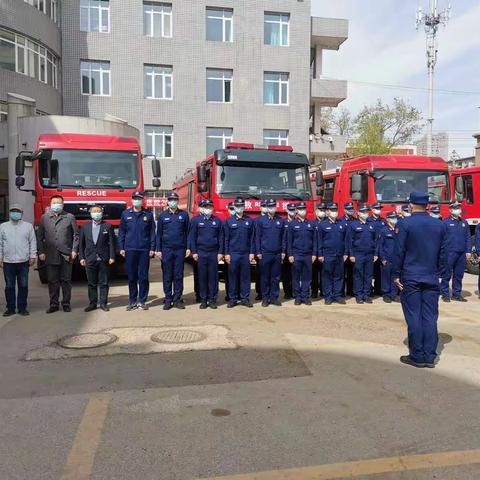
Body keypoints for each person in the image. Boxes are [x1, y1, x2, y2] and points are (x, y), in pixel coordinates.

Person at [394, 192, 447, 368]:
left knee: (414, 316)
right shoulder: (439, 225)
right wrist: (440, 274)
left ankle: (417, 355)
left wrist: (395, 274)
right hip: (431, 276)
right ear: (427, 205)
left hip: (411, 276)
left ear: (411, 204)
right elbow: (443, 254)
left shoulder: (405, 223)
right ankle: (430, 356)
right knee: (430, 317)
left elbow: (399, 251)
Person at [37, 195, 79, 313]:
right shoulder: (44, 218)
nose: (56, 204)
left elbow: (76, 235)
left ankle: (66, 303)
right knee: (52, 280)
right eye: (54, 202)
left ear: (63, 204)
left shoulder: (70, 217)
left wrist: (74, 250)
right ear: (51, 204)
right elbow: (39, 237)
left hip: (66, 254)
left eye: (59, 203)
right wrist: (41, 252)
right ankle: (53, 304)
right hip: (50, 254)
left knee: (66, 280)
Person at [119, 191, 156, 311]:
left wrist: (152, 248)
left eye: (139, 198)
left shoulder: (148, 215)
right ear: (132, 200)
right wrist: (122, 247)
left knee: (143, 276)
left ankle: (142, 301)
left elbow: (152, 233)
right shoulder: (125, 214)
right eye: (135, 198)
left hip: (144, 250)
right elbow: (122, 233)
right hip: (130, 249)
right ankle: (132, 301)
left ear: (142, 200)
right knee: (131, 277)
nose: (137, 200)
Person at [0, 204, 37, 316]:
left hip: (23, 261)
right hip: (8, 262)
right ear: (9, 213)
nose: (15, 213)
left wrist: (32, 256)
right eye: (13, 211)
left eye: (17, 211)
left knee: (23, 285)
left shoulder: (28, 226)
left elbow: (33, 242)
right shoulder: (3, 227)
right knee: (9, 286)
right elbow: (0, 244)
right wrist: (0, 258)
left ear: (21, 213)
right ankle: (10, 308)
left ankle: (22, 308)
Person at [156, 192, 190, 310]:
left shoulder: (184, 215)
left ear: (178, 201)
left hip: (180, 249)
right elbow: (159, 234)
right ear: (168, 202)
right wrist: (158, 249)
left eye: (175, 199)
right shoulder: (162, 216)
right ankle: (168, 299)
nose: (173, 201)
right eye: (171, 200)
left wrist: (188, 248)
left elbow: (188, 233)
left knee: (178, 275)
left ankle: (177, 300)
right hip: (166, 250)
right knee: (167, 275)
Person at [79, 205, 115, 312]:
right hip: (90, 258)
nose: (96, 213)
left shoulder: (107, 226)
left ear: (102, 213)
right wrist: (81, 257)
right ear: (90, 213)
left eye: (98, 211)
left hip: (104, 258)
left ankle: (103, 303)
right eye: (94, 211)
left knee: (104, 282)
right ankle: (93, 303)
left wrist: (112, 256)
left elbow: (112, 243)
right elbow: (81, 244)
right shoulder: (85, 227)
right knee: (91, 283)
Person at [188, 200, 223, 309]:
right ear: (201, 208)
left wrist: (220, 252)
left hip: (213, 253)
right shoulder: (195, 221)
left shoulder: (217, 221)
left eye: (210, 207)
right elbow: (192, 237)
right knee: (202, 277)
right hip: (201, 253)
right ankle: (203, 299)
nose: (208, 209)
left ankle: (212, 299)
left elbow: (221, 238)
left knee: (213, 277)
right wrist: (194, 252)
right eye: (206, 207)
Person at [223, 196, 255, 308]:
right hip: (233, 253)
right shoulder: (228, 222)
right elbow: (226, 239)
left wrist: (252, 252)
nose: (239, 208)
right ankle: (233, 298)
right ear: (234, 207)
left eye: (241, 206)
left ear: (244, 207)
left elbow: (252, 238)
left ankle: (245, 298)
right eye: (237, 206)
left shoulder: (249, 221)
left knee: (245, 277)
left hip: (245, 254)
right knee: (233, 277)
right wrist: (226, 253)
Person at [255, 199, 285, 307]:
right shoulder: (261, 220)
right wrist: (258, 251)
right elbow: (257, 237)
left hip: (277, 253)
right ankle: (265, 298)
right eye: (270, 206)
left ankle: (274, 298)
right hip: (265, 253)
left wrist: (283, 251)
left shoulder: (280, 220)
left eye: (274, 206)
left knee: (276, 277)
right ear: (267, 208)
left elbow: (283, 238)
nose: (272, 208)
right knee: (265, 277)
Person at [440, 201, 471, 302]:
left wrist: (468, 251)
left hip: (461, 253)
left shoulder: (464, 222)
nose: (458, 209)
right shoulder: (445, 223)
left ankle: (456, 294)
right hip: (449, 253)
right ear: (450, 210)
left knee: (459, 275)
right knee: (446, 274)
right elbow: (441, 239)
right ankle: (445, 294)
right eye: (455, 208)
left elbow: (468, 238)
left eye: (459, 207)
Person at [317, 203, 347, 305]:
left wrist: (346, 253)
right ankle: (328, 296)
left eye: (336, 210)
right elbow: (319, 241)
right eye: (332, 210)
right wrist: (320, 254)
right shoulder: (322, 225)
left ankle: (337, 295)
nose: (334, 212)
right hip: (327, 255)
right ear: (328, 212)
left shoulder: (342, 224)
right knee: (327, 276)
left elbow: (345, 240)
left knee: (338, 276)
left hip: (339, 254)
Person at [287, 202, 316, 306]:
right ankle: (298, 297)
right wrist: (290, 254)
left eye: (303, 209)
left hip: (308, 255)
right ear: (297, 211)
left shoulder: (311, 224)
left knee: (307, 277)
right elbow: (289, 241)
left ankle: (305, 296)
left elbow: (315, 240)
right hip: (296, 254)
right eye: (300, 209)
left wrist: (314, 254)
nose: (302, 211)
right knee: (295, 277)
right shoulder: (292, 224)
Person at [347, 204, 377, 304]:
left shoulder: (372, 224)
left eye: (366, 212)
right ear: (358, 213)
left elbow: (376, 240)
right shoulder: (353, 225)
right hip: (358, 254)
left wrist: (375, 253)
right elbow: (350, 241)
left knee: (368, 275)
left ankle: (366, 295)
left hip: (369, 254)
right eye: (363, 212)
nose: (365, 213)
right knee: (358, 275)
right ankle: (359, 295)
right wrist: (351, 254)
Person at [377, 211, 399, 303]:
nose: (395, 219)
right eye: (392, 218)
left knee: (395, 277)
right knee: (386, 277)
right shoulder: (384, 230)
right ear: (388, 219)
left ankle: (393, 295)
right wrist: (383, 258)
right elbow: (380, 246)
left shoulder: (398, 230)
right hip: (387, 258)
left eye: (395, 217)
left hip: (396, 258)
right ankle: (386, 294)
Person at [368, 202, 386, 297]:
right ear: (372, 210)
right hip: (372, 248)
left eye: (379, 208)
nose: (378, 210)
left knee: (380, 271)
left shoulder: (383, 221)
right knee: (370, 272)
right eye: (376, 208)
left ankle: (379, 289)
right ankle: (369, 290)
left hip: (382, 248)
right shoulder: (368, 221)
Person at [339, 202, 356, 297]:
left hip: (353, 251)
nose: (351, 210)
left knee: (352, 272)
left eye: (352, 208)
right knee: (341, 272)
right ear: (344, 210)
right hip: (343, 251)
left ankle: (351, 290)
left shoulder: (355, 221)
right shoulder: (340, 221)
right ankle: (341, 292)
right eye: (348, 209)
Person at [281, 203, 296, 299]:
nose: (292, 212)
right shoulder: (283, 223)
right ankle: (287, 292)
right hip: (285, 253)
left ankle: (294, 291)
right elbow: (281, 238)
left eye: (294, 210)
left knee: (295, 273)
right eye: (290, 210)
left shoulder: (297, 222)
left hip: (295, 251)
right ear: (287, 211)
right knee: (285, 274)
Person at [311, 202, 326, 299]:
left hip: (324, 253)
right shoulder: (312, 224)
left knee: (325, 273)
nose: (322, 212)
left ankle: (323, 290)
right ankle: (314, 291)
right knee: (314, 273)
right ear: (316, 212)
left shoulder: (327, 223)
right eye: (321, 210)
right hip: (313, 253)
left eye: (324, 210)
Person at [255, 199, 268, 301]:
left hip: (269, 251)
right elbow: (255, 237)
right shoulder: (257, 220)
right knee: (260, 273)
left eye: (266, 206)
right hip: (260, 251)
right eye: (263, 206)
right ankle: (259, 292)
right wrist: (257, 251)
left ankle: (269, 293)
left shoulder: (273, 219)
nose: (265, 208)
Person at [223, 202, 236, 302]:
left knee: (240, 276)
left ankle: (239, 295)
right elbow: (224, 239)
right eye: (231, 209)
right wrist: (225, 253)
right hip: (229, 253)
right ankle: (229, 295)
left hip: (240, 253)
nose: (233, 211)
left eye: (233, 208)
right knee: (229, 275)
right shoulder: (225, 222)